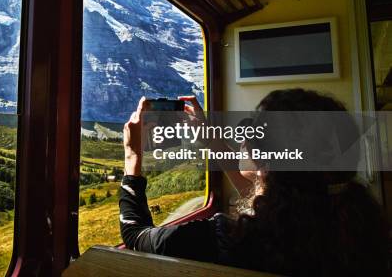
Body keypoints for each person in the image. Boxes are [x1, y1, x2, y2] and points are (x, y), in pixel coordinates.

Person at [119, 89, 389, 276]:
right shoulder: (355, 224)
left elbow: (135, 235)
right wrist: (209, 135)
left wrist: (133, 156)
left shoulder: (227, 240)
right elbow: (264, 188)